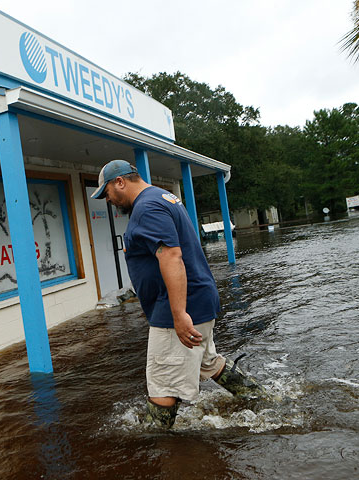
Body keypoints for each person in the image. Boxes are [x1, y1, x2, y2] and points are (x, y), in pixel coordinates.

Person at [91, 159, 265, 428]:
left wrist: (178, 313)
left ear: (120, 182)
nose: (108, 200)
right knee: (209, 363)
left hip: (179, 309)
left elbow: (172, 256)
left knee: (162, 384)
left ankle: (162, 449)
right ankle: (263, 400)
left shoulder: (147, 207)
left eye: (107, 193)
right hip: (198, 300)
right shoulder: (163, 196)